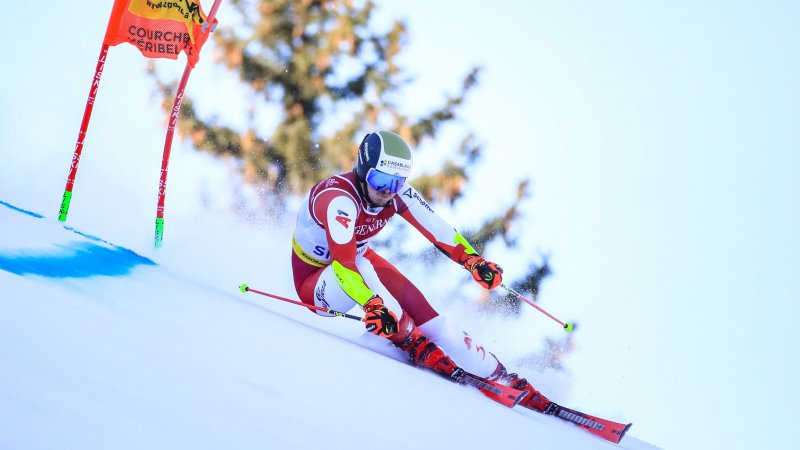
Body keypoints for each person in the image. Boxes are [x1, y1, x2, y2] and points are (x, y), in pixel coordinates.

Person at [290, 130, 551, 412]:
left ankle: (500, 375)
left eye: (397, 182)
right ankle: (409, 341)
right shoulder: (340, 200)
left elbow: (436, 228)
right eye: (380, 180)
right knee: (364, 266)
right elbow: (344, 265)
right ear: (364, 172)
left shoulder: (396, 194)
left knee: (431, 319)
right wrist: (371, 303)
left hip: (358, 267)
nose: (388, 190)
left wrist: (473, 261)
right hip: (317, 286)